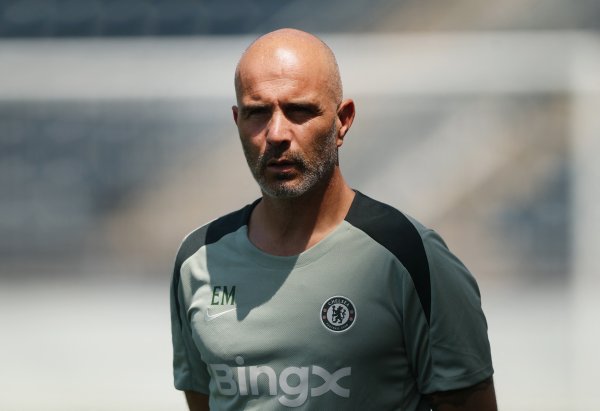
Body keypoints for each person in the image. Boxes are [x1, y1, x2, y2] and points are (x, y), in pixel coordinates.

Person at [170, 28, 496, 411]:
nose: (276, 133)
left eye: (300, 111)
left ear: (343, 120)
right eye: (257, 113)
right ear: (237, 120)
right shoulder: (199, 261)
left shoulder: (411, 256)